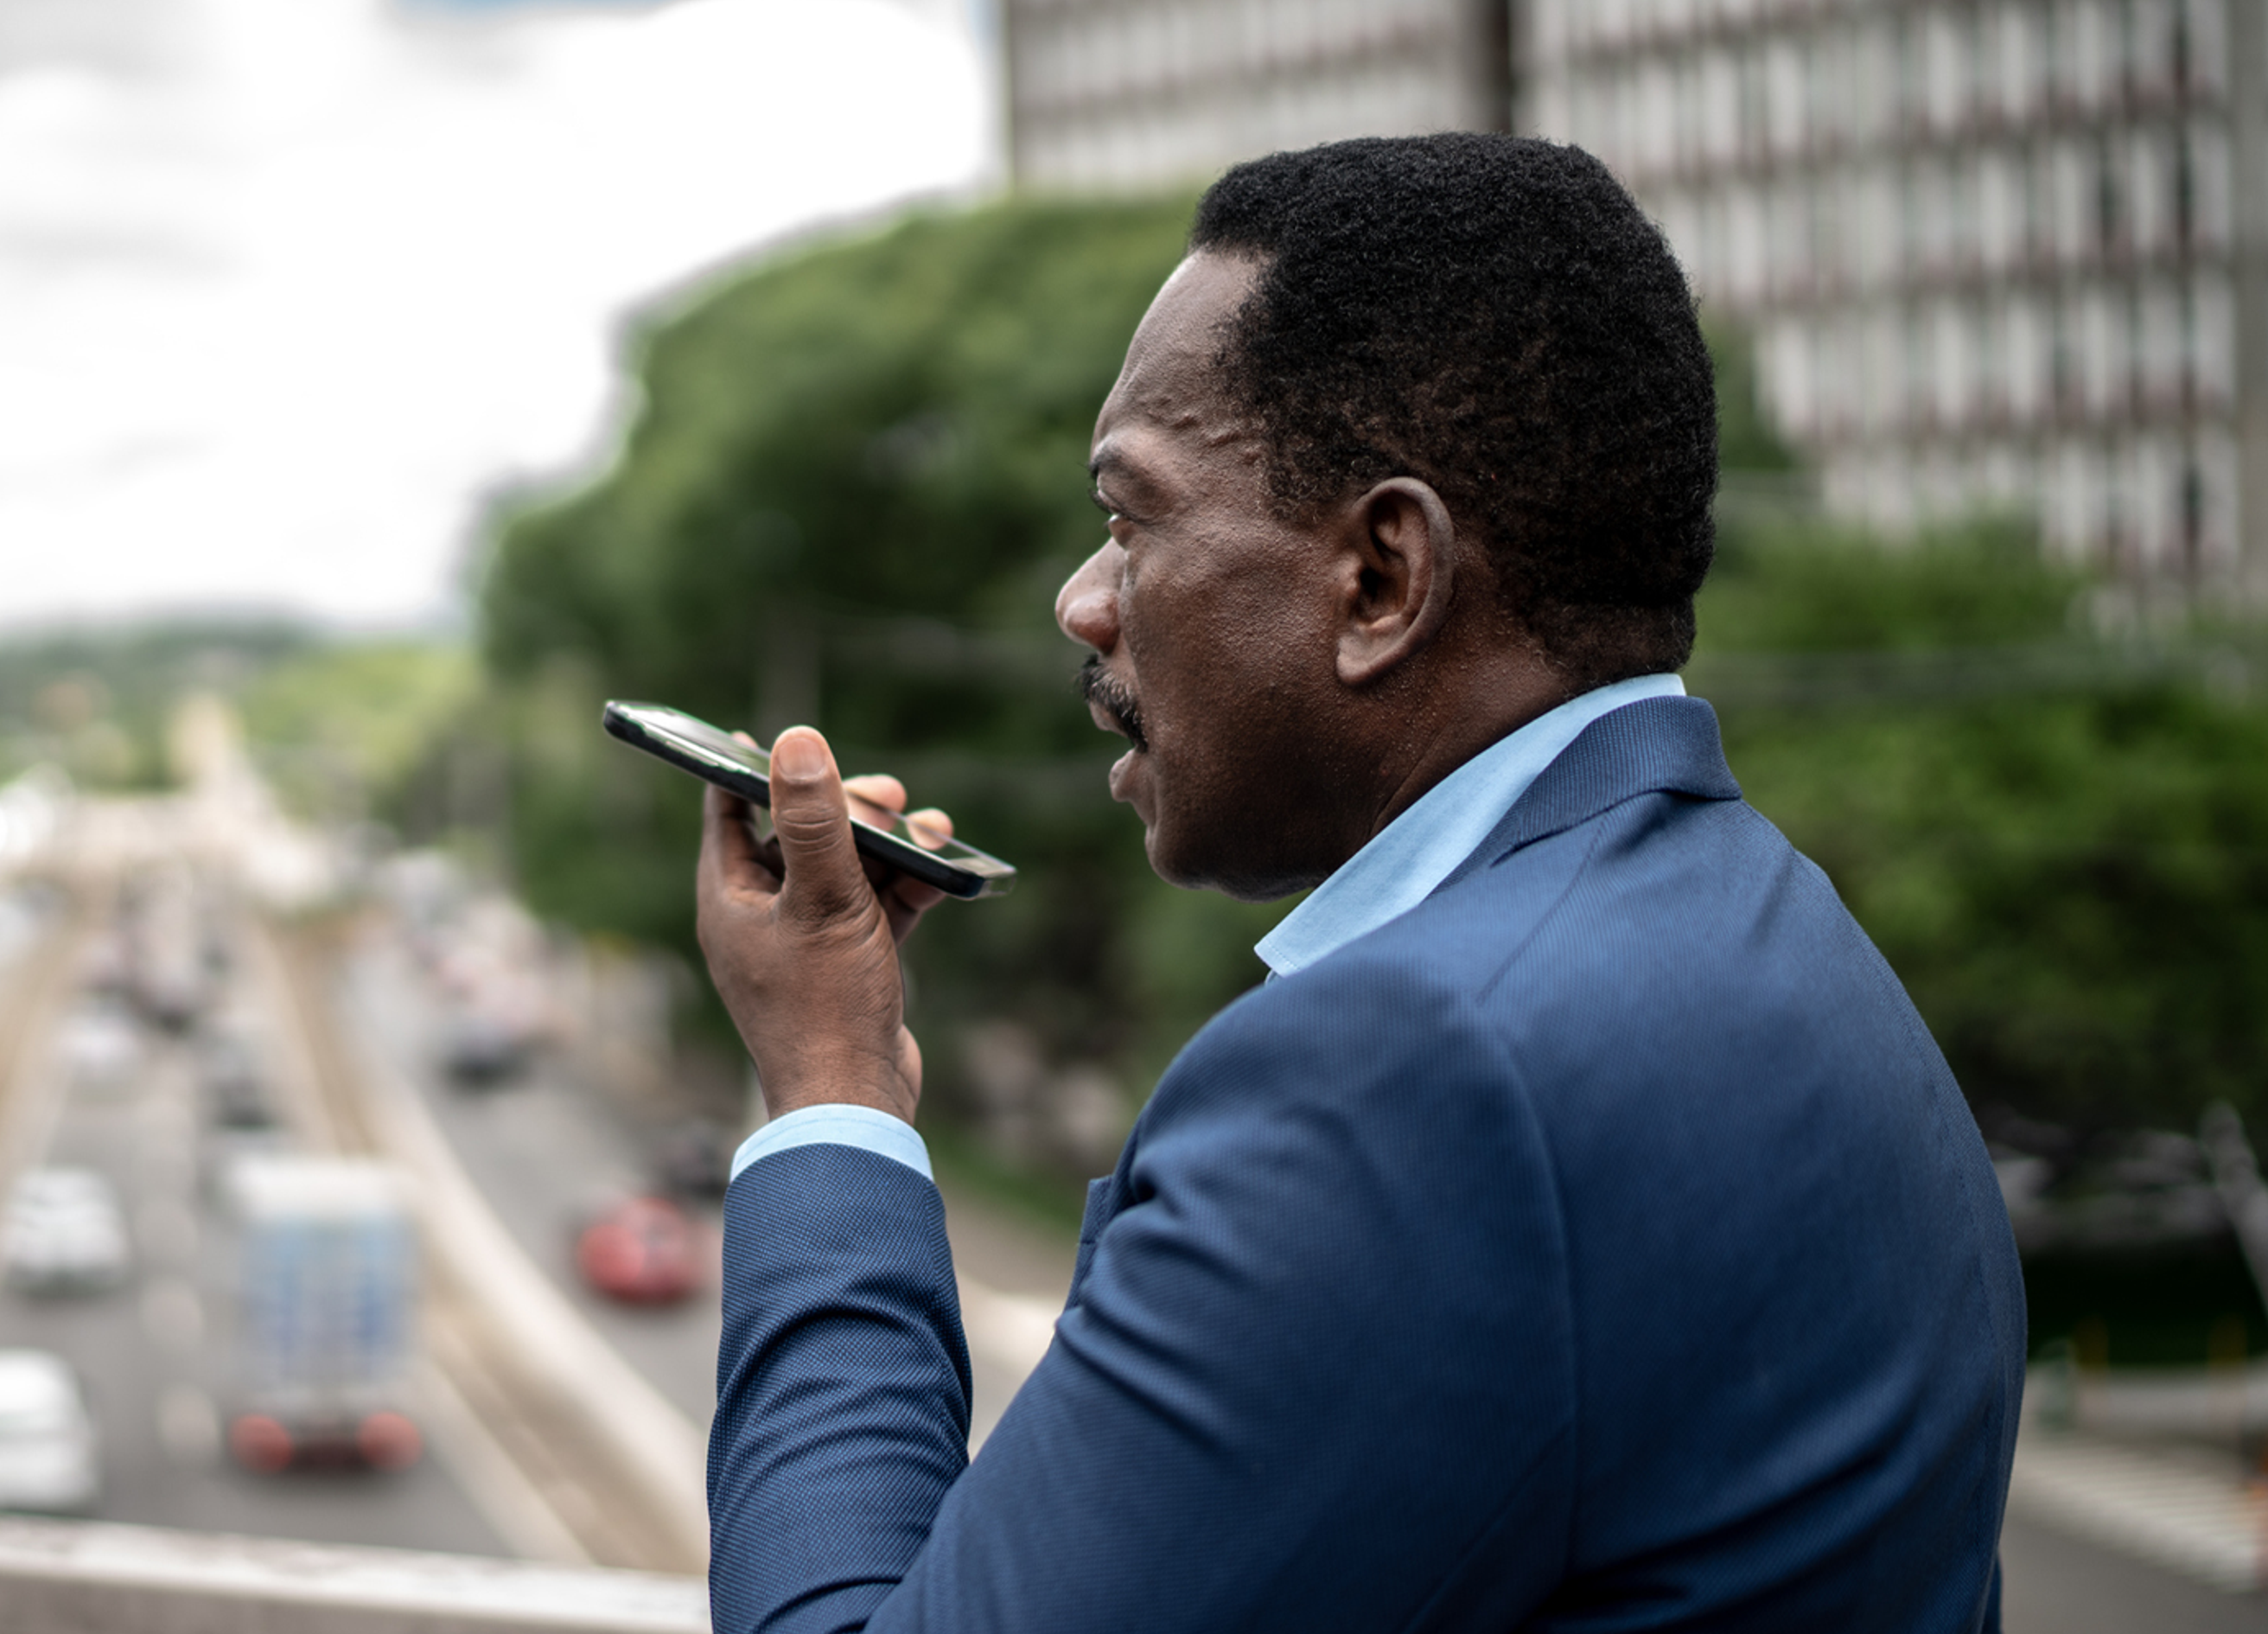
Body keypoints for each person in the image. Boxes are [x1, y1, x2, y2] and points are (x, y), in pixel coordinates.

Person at [691, 135, 2023, 1633]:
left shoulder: (1411, 1079)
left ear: (1382, 578)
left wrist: (830, 1089)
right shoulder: (1796, 942)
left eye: (1133, 518)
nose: (1082, 598)